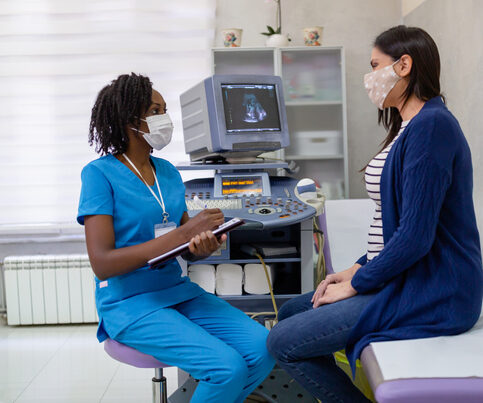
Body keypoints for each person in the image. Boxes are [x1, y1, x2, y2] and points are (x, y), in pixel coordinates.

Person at [266, 25, 483, 402]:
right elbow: (393, 224)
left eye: (374, 65)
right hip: (404, 276)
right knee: (291, 313)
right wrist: (355, 268)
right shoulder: (409, 126)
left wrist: (358, 282)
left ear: (404, 65)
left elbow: (415, 237)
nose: (369, 78)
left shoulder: (432, 127)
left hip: (435, 290)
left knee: (282, 341)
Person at [77, 73, 274, 403]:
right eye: (156, 110)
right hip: (129, 302)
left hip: (177, 291)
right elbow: (102, 264)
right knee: (227, 368)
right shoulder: (99, 174)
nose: (164, 118)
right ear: (129, 117)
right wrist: (184, 233)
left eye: (164, 109)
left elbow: (186, 248)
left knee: (262, 348)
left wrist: (203, 245)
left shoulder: (167, 171)